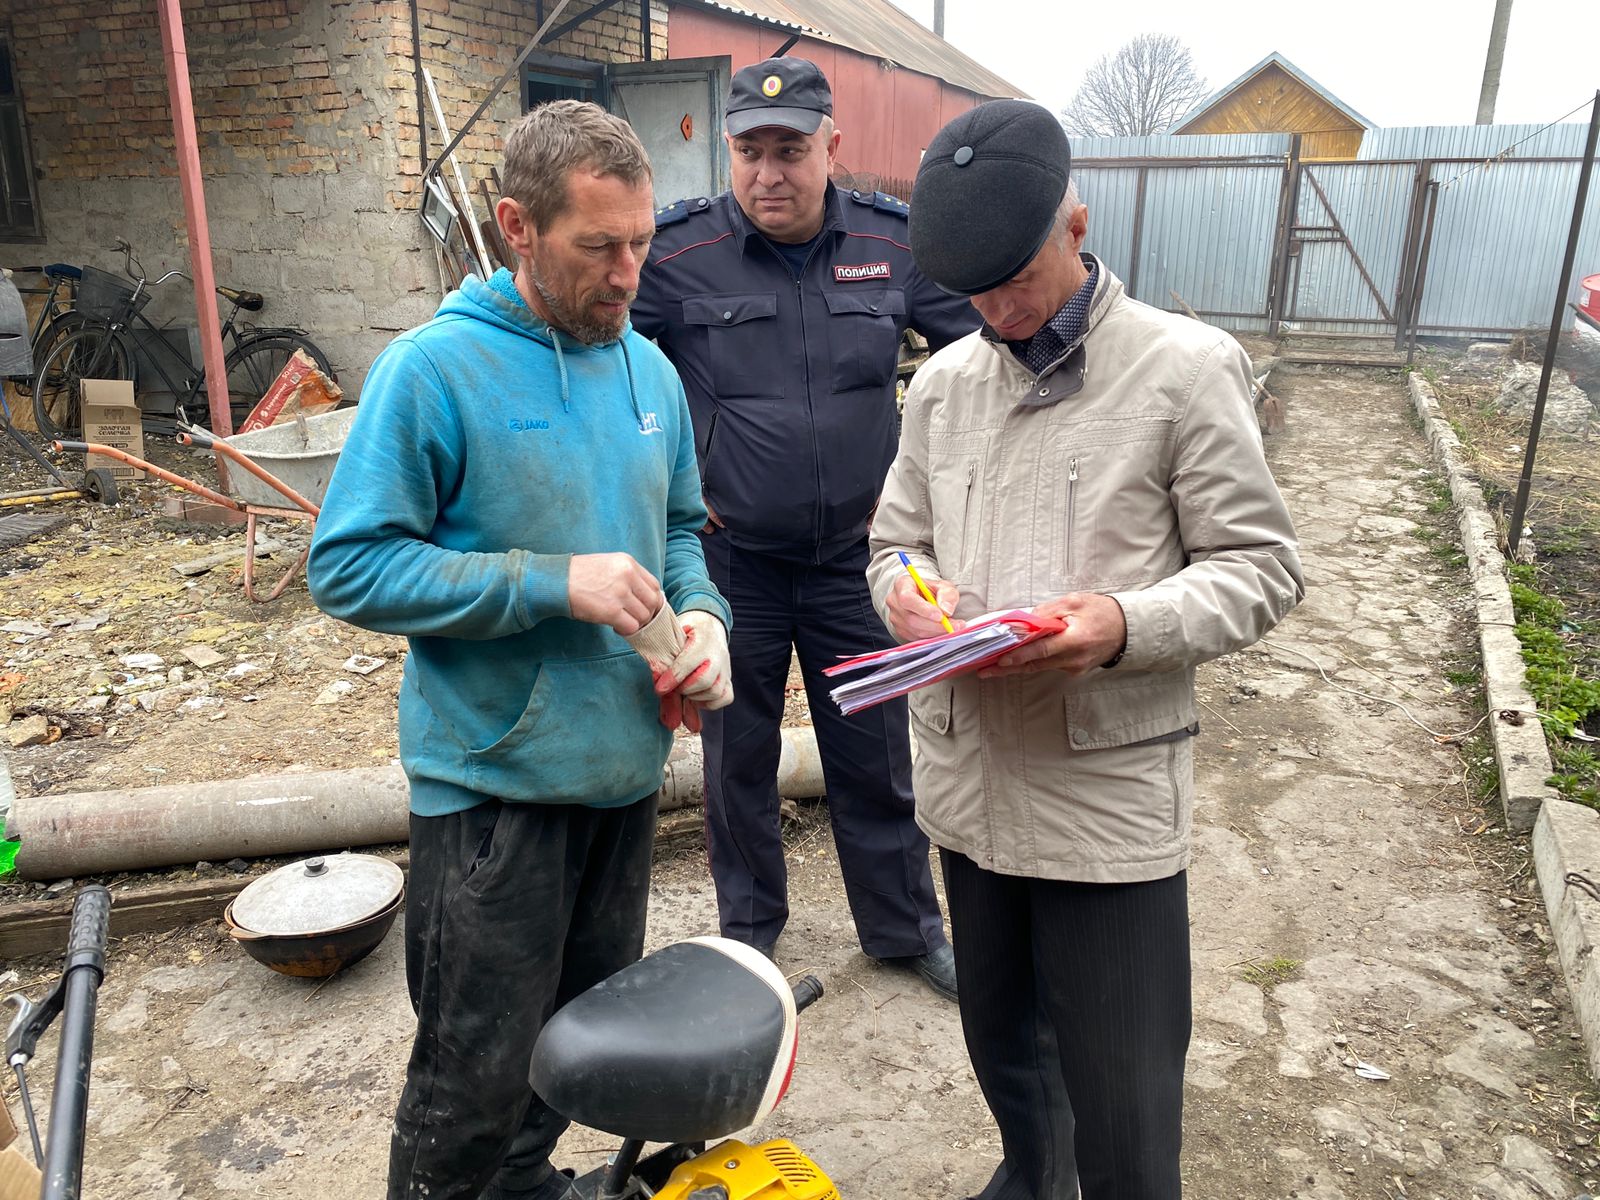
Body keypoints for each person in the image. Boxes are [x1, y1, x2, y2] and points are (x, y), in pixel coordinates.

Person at [868, 100, 1306, 1199]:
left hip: (1101, 804)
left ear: (1076, 224)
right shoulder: (945, 386)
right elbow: (894, 542)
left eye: (1016, 279)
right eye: (974, 292)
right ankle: (1030, 1179)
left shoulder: (1183, 369)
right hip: (971, 790)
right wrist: (907, 596)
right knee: (1005, 1054)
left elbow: (1261, 568)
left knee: (1122, 1099)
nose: (998, 312)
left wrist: (1121, 625)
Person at [306, 101, 733, 1200]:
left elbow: (680, 533)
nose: (628, 275)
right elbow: (348, 566)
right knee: (471, 1082)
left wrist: (704, 622)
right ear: (516, 226)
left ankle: (525, 1184)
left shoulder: (649, 372)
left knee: (575, 1047)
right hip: (494, 794)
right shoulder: (433, 370)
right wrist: (551, 582)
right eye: (598, 247)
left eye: (641, 243)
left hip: (621, 774)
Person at [630, 57, 980, 998]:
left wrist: (946, 495)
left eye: (790, 151)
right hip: (730, 562)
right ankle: (750, 942)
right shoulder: (679, 256)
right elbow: (602, 359)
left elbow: (983, 353)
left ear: (832, 147)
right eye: (750, 152)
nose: (768, 174)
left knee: (877, 751)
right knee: (736, 762)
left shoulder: (892, 244)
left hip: (855, 562)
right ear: (728, 152)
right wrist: (657, 488)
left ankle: (903, 930)